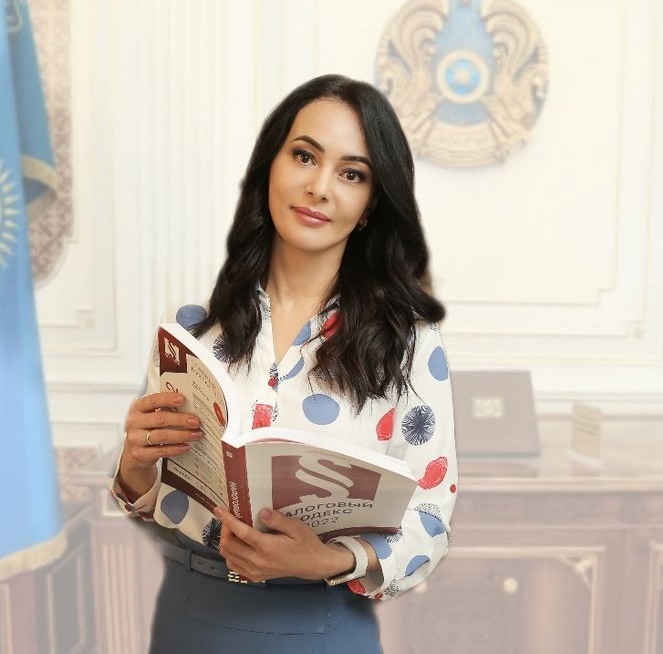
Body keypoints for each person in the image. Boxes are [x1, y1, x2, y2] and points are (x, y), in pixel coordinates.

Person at [111, 74, 458, 653]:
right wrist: (135, 462)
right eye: (304, 156)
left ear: (370, 205)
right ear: (270, 165)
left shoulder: (410, 342)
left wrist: (329, 559)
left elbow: (432, 519)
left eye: (352, 174)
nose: (319, 188)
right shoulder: (191, 327)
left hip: (322, 626)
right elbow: (146, 496)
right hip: (190, 618)